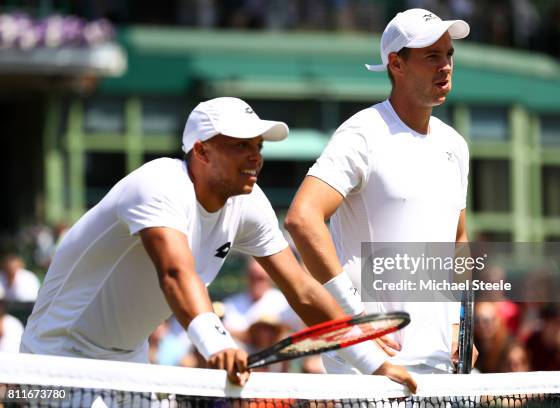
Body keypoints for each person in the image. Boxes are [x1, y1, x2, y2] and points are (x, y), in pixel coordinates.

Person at [20, 97, 416, 392]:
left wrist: (374, 364)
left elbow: (301, 290)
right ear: (201, 151)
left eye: (259, 146)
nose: (255, 157)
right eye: (240, 145)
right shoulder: (157, 184)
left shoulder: (250, 202)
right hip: (59, 357)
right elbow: (175, 273)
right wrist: (217, 343)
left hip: (131, 360)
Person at [285, 8, 476, 375]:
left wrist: (460, 323)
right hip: (372, 366)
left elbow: (458, 240)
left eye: (449, 54)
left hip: (439, 362)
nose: (446, 65)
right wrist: (353, 317)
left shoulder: (456, 145)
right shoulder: (361, 134)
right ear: (396, 64)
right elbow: (302, 218)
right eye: (431, 56)